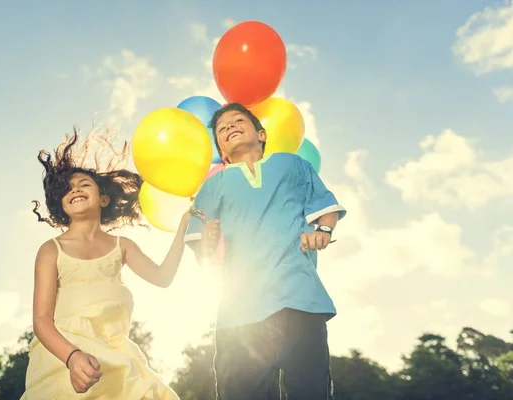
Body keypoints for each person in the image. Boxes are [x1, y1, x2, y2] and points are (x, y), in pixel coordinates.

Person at [184, 103, 347, 400]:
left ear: (261, 133)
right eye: (222, 129)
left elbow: (327, 209)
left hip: (300, 301)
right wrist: (208, 240)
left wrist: (322, 233)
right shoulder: (211, 186)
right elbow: (201, 251)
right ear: (221, 150)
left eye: (238, 120)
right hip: (239, 315)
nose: (230, 126)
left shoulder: (292, 164)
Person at [21, 127, 184, 399]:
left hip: (115, 355)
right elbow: (41, 319)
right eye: (68, 190)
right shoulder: (52, 250)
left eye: (84, 184)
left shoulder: (123, 247)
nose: (75, 190)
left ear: (103, 199)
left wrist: (183, 229)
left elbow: (162, 277)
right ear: (61, 205)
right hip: (64, 354)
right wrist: (72, 357)